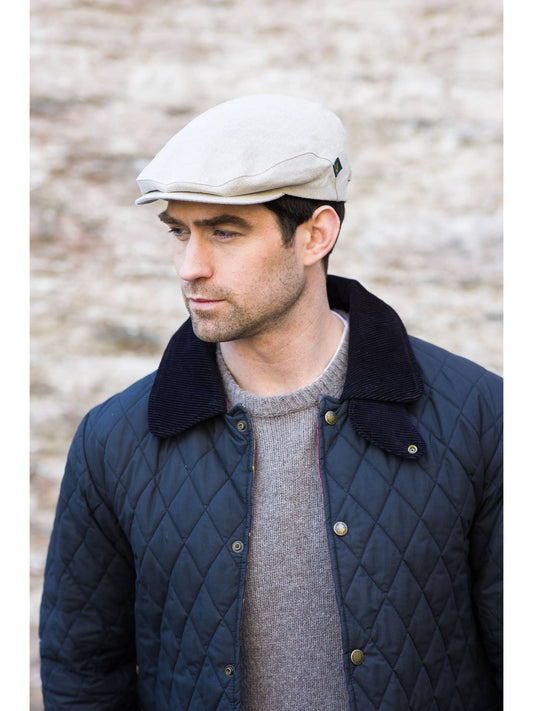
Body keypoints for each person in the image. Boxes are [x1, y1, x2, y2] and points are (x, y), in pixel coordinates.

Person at [39, 94, 503, 711]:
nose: (190, 266)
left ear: (315, 235)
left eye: (224, 233)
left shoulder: (480, 416)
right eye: (179, 232)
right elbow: (83, 674)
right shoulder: (114, 441)